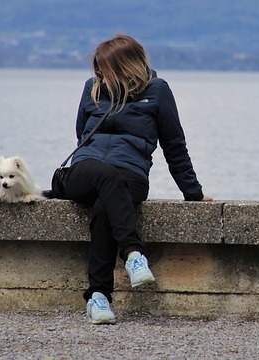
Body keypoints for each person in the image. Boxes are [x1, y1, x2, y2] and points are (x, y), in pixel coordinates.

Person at [63, 33, 213, 324]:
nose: (98, 76)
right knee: (107, 177)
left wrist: (192, 193)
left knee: (106, 208)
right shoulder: (91, 89)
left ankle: (99, 298)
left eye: (104, 70)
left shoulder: (157, 91)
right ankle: (133, 254)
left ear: (125, 68)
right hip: (85, 171)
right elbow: (82, 135)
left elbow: (174, 146)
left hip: (128, 176)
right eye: (97, 70)